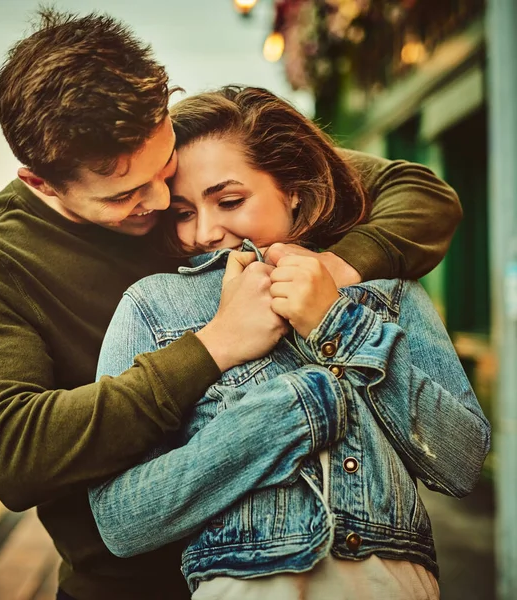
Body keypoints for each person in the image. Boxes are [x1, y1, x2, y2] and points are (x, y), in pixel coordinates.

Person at [0, 8, 464, 600]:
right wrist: (215, 345)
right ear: (42, 183)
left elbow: (418, 193)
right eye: (126, 194)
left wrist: (331, 273)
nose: (164, 201)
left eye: (163, 168)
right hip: (130, 585)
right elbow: (15, 453)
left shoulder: (191, 162)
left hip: (299, 570)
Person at [89, 86, 491, 600]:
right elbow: (122, 522)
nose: (205, 232)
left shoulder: (390, 293)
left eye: (229, 200)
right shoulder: (155, 304)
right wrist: (291, 413)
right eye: (184, 213)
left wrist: (337, 323)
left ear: (294, 189)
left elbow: (461, 464)